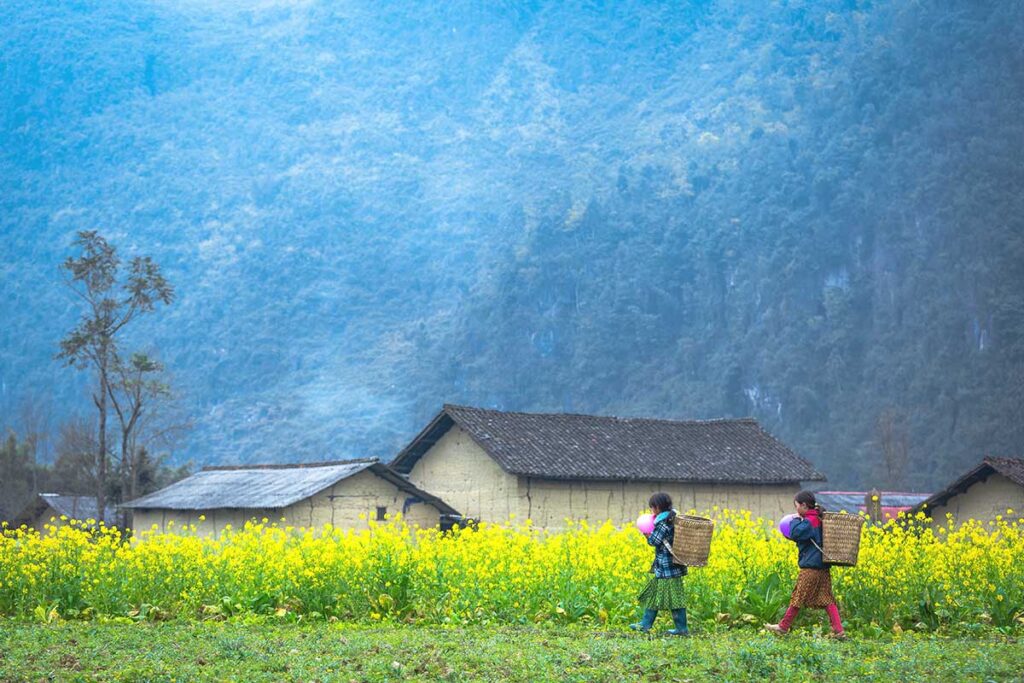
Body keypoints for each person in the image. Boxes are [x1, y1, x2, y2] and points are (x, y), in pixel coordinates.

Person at [765, 490, 847, 639]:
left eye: (796, 506)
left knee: (798, 596)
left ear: (803, 505)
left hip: (810, 568)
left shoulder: (810, 521)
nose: (796, 510)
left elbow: (796, 533)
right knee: (827, 598)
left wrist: (795, 520)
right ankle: (839, 630)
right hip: (822, 567)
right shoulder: (819, 518)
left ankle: (783, 626)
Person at [630, 492, 689, 636]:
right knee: (655, 596)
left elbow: (654, 541)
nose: (651, 511)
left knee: (675, 599)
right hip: (668, 568)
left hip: (667, 568)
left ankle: (682, 629)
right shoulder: (672, 518)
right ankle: (645, 624)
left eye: (652, 508)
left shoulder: (664, 522)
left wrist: (646, 535)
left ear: (657, 507)